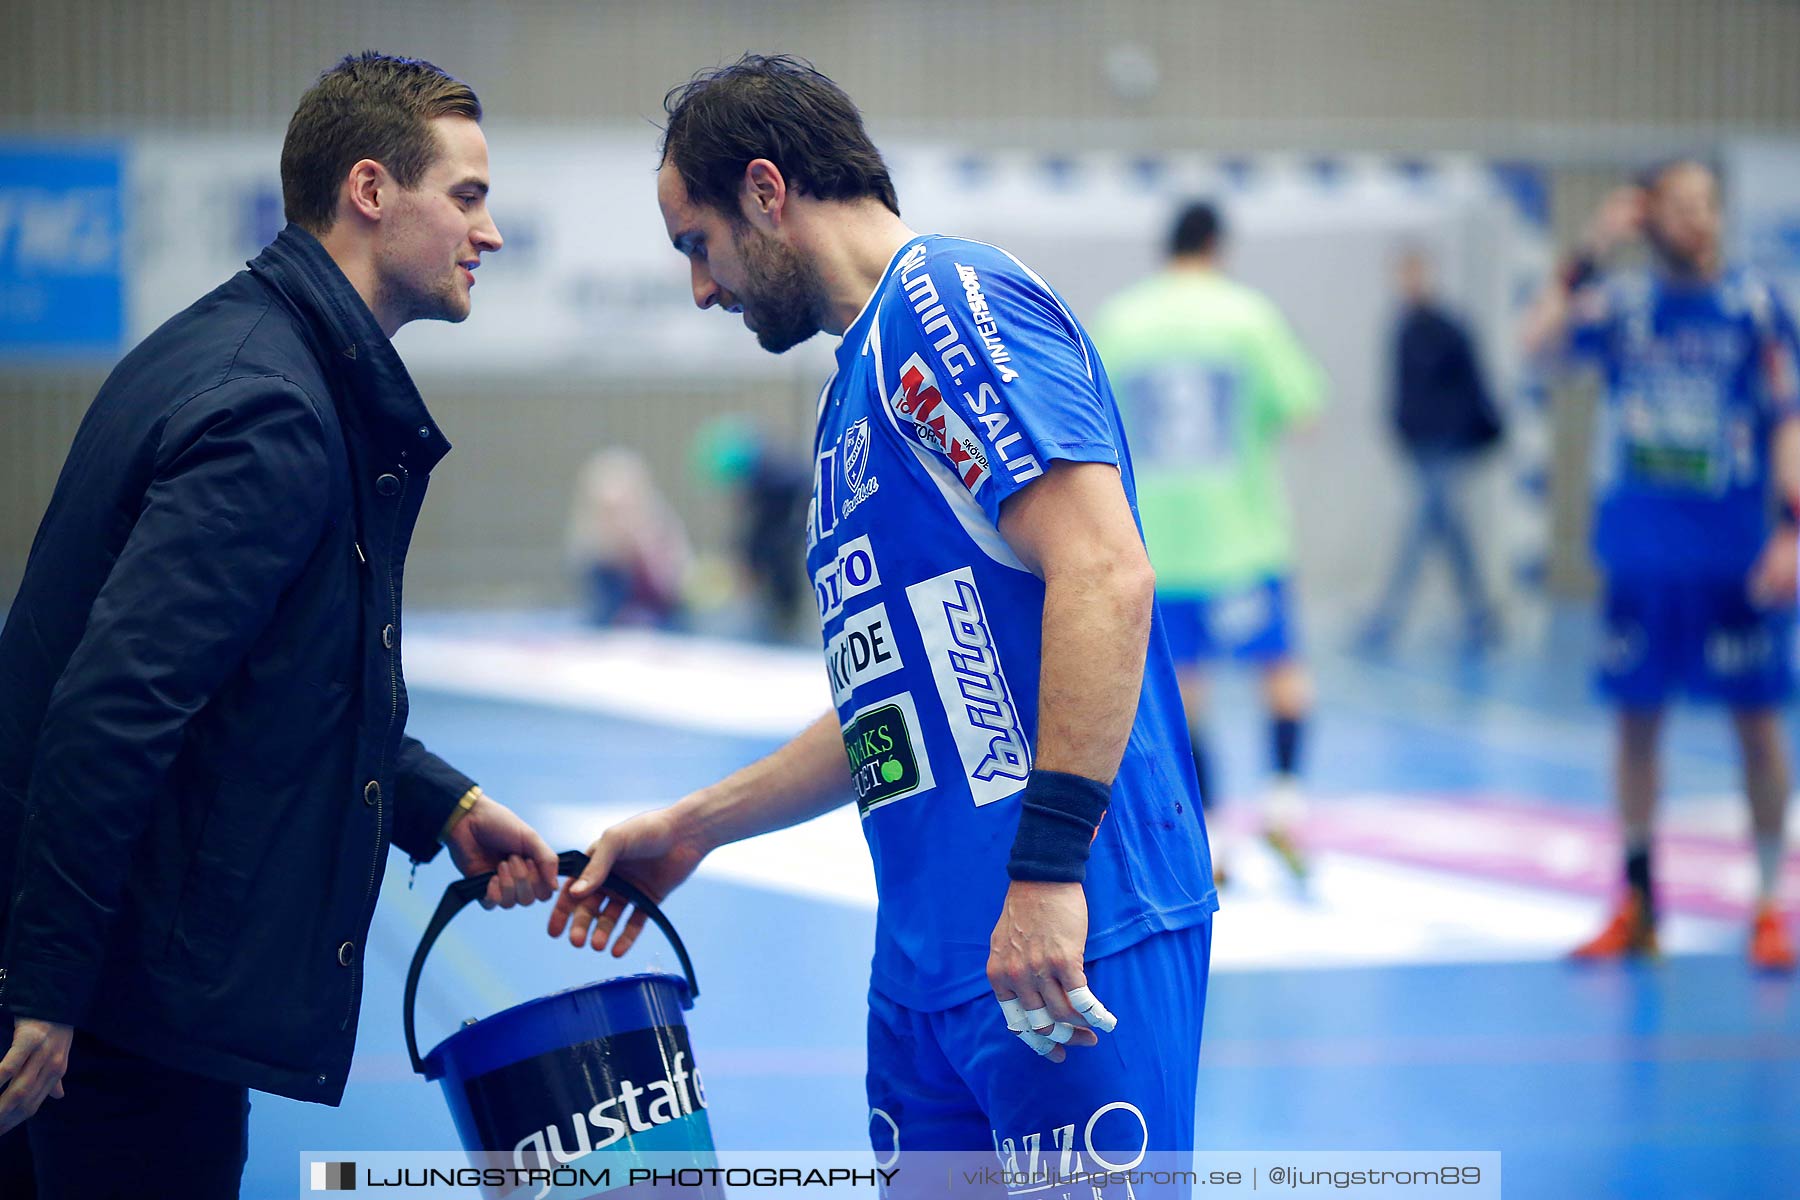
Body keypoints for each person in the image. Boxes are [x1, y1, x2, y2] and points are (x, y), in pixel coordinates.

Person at [548, 55, 1216, 1183]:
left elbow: (1105, 572)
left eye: (693, 245)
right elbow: (894, 702)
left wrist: (1049, 875)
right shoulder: (851, 390)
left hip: (1061, 939)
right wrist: (699, 824)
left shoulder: (943, 307)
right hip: (929, 964)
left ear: (767, 191)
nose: (700, 289)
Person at [0, 53, 561, 1197]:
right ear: (369, 190)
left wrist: (435, 801)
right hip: (111, 1023)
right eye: (466, 196)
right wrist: (45, 990)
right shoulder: (275, 409)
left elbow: (263, 683)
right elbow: (116, 707)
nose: (489, 232)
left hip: (114, 992)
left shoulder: (241, 350)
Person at [1521, 159, 1800, 971]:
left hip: (1735, 560)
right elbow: (1534, 348)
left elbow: (1787, 420)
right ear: (1649, 217)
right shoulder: (1623, 306)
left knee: (1758, 727)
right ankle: (1639, 901)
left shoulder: (1754, 310)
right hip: (1643, 557)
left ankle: (1766, 902)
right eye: (1680, 207)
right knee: (1636, 729)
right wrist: (1590, 248)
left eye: (1708, 205)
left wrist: (1791, 528)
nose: (1699, 220)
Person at [1090, 202, 1325, 885]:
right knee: (1280, 668)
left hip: (1159, 543)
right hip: (1243, 539)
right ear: (1218, 246)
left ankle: (1215, 837)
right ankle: (1284, 802)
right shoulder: (1246, 315)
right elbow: (1303, 409)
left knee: (1185, 689)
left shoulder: (1121, 320)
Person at [1357, 248, 1504, 654]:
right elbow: (1402, 390)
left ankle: (1386, 619)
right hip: (1420, 448)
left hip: (1446, 446)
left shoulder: (1448, 328)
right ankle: (1480, 615)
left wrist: (1468, 435)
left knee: (1421, 530)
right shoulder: (1403, 329)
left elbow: (1472, 386)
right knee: (1450, 531)